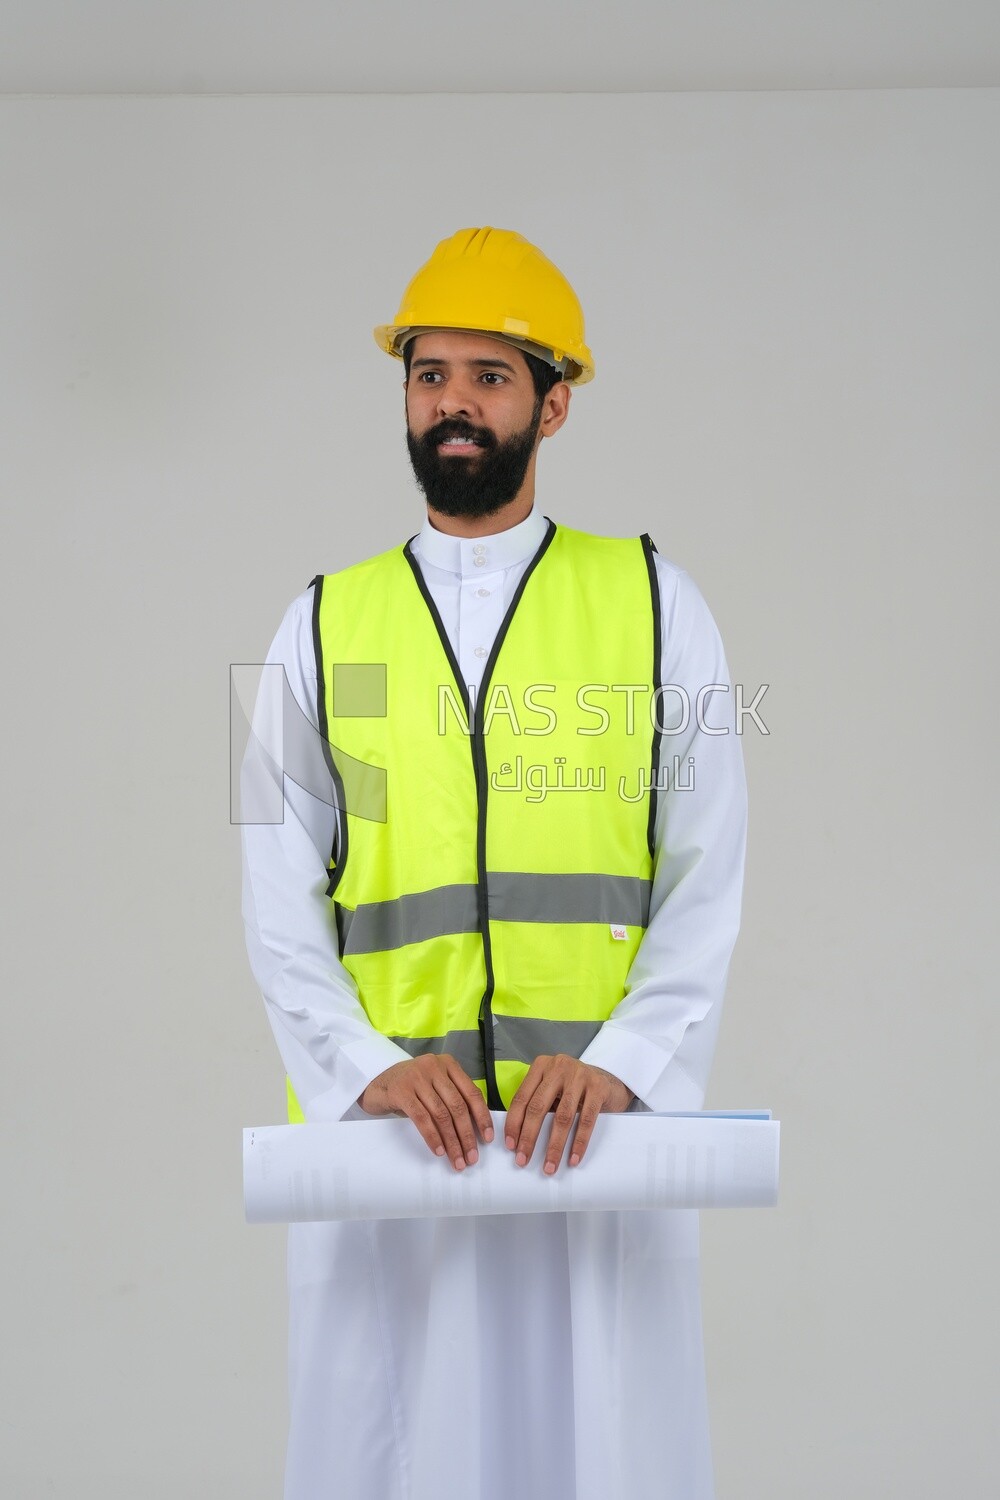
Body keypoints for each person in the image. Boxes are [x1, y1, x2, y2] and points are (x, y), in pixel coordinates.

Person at [241, 226, 748, 1500]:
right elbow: (272, 885)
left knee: (602, 1457)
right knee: (388, 1454)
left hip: (593, 1148)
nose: (452, 404)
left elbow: (709, 869)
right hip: (395, 1150)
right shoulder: (321, 623)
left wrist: (625, 1064)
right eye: (428, 377)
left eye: (487, 377)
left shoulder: (652, 602)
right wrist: (367, 1072)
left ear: (552, 403)